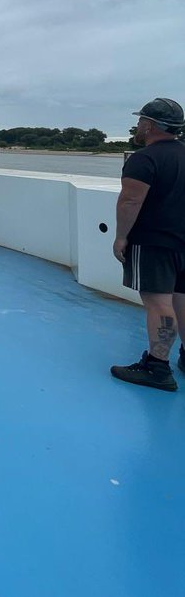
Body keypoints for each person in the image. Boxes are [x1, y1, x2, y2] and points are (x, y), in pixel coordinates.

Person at [110, 98, 185, 392]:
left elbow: (130, 200)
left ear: (150, 125)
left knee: (158, 302)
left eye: (142, 121)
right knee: (181, 298)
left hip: (154, 242)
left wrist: (121, 237)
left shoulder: (144, 159)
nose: (138, 126)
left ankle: (157, 367)